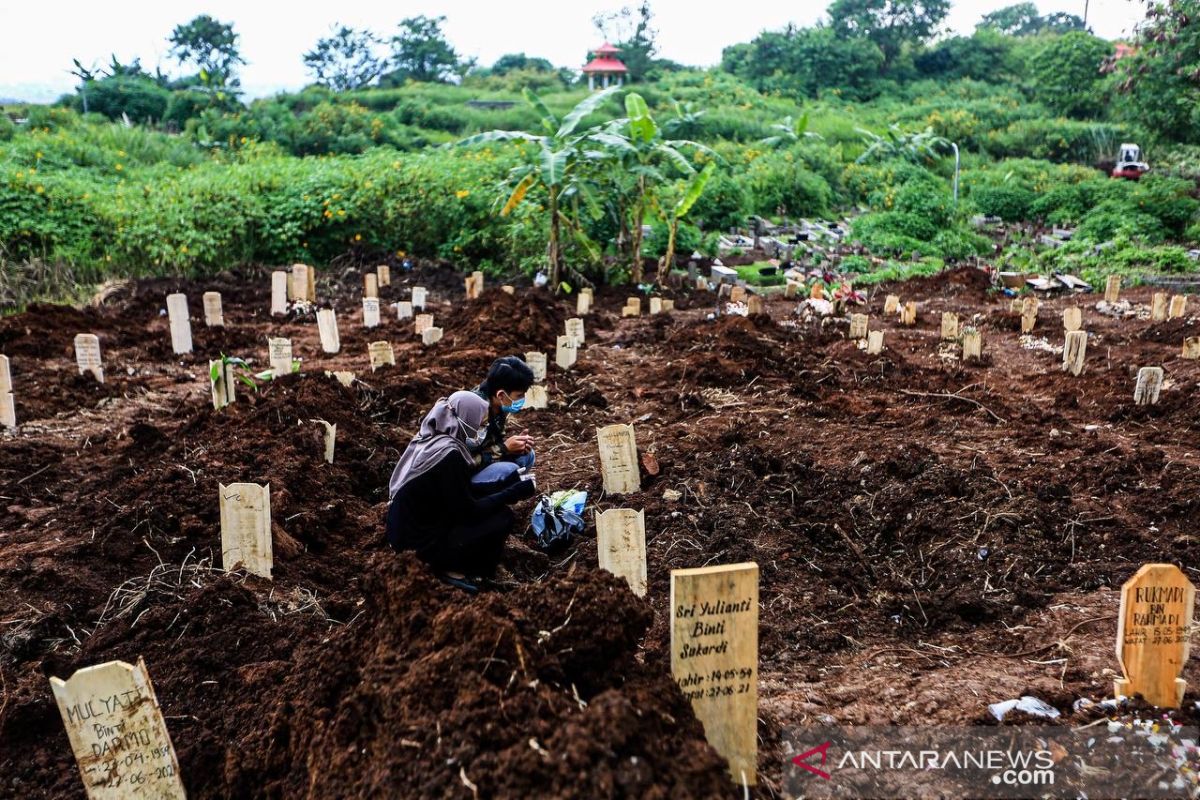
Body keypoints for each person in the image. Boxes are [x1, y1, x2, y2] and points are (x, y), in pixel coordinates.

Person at [386, 391, 534, 591]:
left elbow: (461, 491)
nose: (481, 430)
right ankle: (458, 570)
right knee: (503, 518)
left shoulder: (433, 440)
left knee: (494, 502)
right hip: (418, 548)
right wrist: (513, 493)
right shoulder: (449, 456)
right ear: (466, 420)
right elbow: (469, 512)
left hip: (409, 534)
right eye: (480, 424)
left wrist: (512, 481)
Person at [469, 356, 536, 494]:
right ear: (501, 395)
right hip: (459, 477)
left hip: (480, 464)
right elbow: (464, 462)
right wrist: (504, 449)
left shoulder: (496, 405)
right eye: (519, 395)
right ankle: (478, 502)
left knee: (526, 455)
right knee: (509, 470)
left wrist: (515, 446)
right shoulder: (474, 412)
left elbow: (492, 442)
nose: (522, 400)